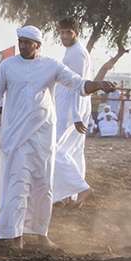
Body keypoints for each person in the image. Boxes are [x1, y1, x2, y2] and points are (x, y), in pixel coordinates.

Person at [0, 25, 115, 250]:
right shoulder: (8, 66)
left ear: (38, 45)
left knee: (43, 185)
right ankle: (14, 236)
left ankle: (40, 234)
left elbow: (78, 84)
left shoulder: (51, 65)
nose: (23, 46)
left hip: (43, 137)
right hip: (16, 138)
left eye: (27, 42)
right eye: (21, 42)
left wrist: (99, 85)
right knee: (16, 185)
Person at [52, 18, 93, 205]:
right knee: (73, 151)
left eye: (68, 32)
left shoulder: (78, 54)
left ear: (76, 32)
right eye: (61, 32)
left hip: (71, 110)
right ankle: (70, 195)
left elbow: (79, 84)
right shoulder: (73, 51)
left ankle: (81, 188)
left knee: (54, 149)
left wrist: (76, 116)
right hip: (70, 108)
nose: (64, 36)